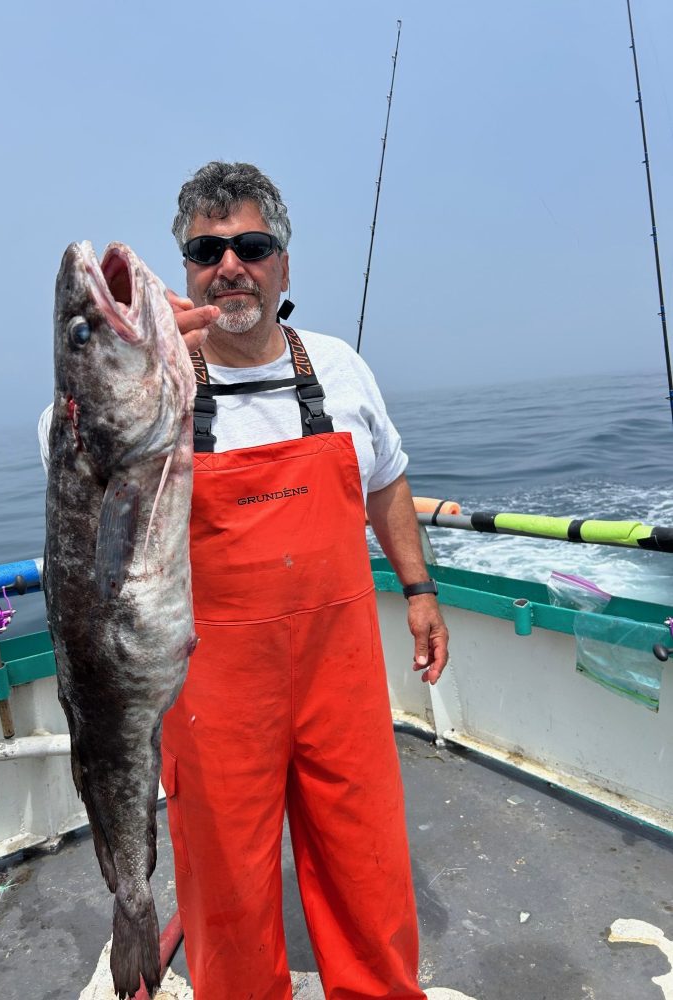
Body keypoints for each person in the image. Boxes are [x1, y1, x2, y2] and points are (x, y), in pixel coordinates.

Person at [159, 161, 449, 1000]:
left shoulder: (339, 367)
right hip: (210, 687)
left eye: (251, 244)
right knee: (225, 891)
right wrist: (135, 363)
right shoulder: (158, 382)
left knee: (367, 866)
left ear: (284, 263)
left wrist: (420, 590)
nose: (229, 265)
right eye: (206, 251)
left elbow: (386, 478)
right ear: (185, 270)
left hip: (339, 671)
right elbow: (70, 453)